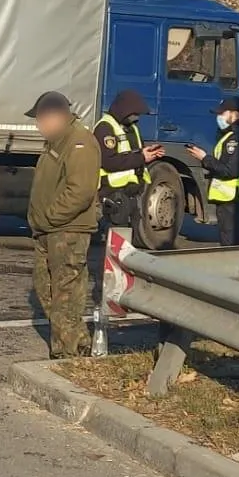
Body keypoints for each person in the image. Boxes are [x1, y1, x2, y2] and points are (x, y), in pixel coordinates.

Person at [26, 90, 101, 359]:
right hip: (49, 231)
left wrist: (49, 217)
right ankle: (77, 344)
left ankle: (69, 354)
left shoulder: (79, 142)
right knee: (46, 288)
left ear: (57, 117)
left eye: (41, 119)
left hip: (67, 232)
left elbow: (80, 191)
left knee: (66, 295)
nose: (38, 125)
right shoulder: (57, 143)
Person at [189, 95, 239, 247]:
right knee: (238, 247)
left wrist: (204, 158)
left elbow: (229, 170)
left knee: (232, 248)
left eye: (222, 113)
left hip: (234, 202)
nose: (219, 117)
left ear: (235, 114)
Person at [94, 88, 165, 237]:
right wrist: (141, 158)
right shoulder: (105, 128)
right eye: (134, 114)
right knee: (114, 241)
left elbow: (133, 151)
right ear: (124, 110)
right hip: (113, 193)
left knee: (127, 241)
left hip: (131, 193)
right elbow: (108, 162)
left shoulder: (131, 128)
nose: (136, 118)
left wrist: (149, 152)